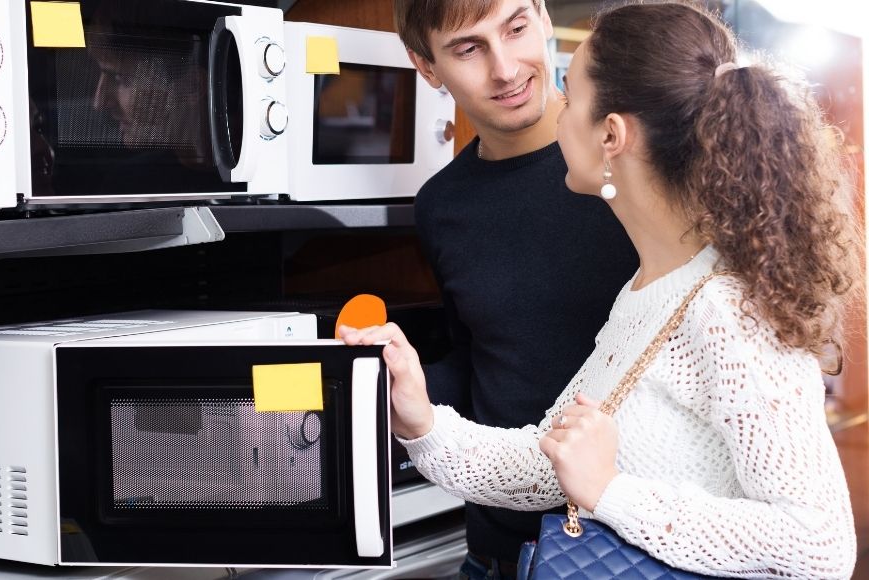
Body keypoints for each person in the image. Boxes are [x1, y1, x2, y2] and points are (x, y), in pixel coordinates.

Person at [342, 1, 861, 577]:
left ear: (611, 135)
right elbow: (552, 461)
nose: (554, 109)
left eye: (572, 92)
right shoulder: (644, 293)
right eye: (470, 48)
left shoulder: (725, 308)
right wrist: (422, 422)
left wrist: (610, 492)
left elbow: (818, 546)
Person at [390, 1, 638, 577]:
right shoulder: (441, 206)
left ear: (545, 18)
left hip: (632, 553)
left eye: (516, 28)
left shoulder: (634, 160)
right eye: (468, 48)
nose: (505, 68)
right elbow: (487, 357)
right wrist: (386, 383)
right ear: (426, 66)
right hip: (499, 554)